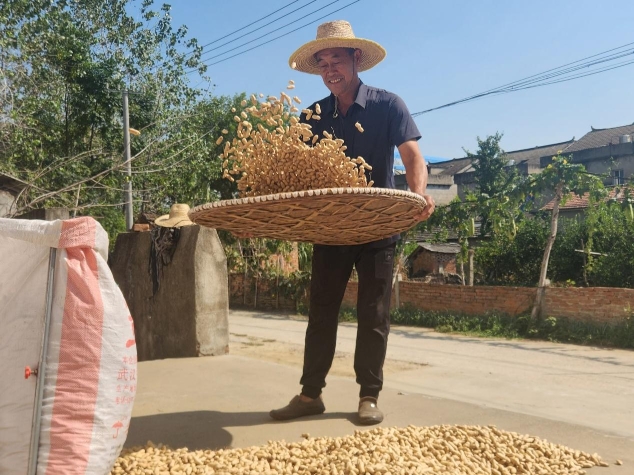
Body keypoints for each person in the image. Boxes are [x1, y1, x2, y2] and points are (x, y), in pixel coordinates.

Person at [269, 20, 435, 425]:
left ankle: (369, 396)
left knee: (373, 313)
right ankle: (310, 395)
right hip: (330, 228)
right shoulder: (312, 116)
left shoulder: (387, 105)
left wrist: (417, 196)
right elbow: (292, 169)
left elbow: (413, 157)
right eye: (322, 63)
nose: (330, 70)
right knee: (321, 310)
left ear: (355, 59)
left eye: (336, 60)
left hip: (378, 227)